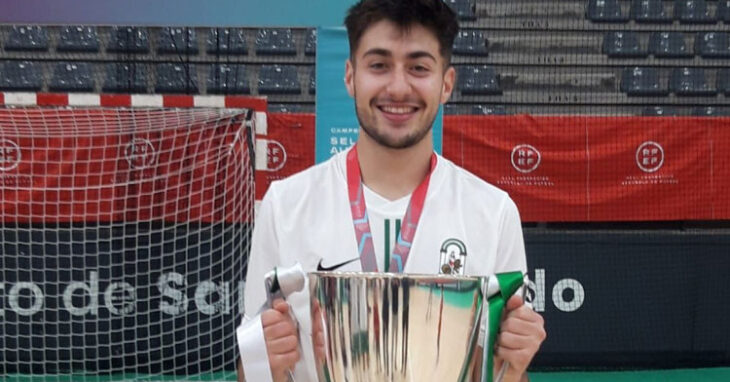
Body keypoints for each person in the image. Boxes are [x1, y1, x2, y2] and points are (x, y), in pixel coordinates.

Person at [238, 0, 546, 381]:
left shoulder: (494, 213)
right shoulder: (284, 206)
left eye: (418, 67)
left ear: (446, 84)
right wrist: (261, 365)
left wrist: (515, 365)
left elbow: (505, 376)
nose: (398, 87)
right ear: (350, 76)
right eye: (379, 65)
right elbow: (251, 373)